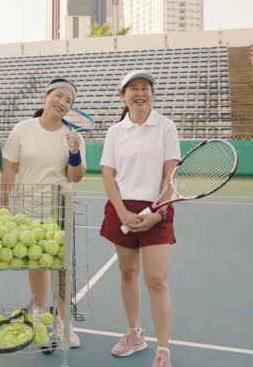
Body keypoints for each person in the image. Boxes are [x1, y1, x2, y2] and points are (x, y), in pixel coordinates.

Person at [100, 70, 181, 367]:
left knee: (156, 280)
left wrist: (156, 213)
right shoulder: (115, 131)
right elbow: (108, 174)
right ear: (123, 96)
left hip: (157, 208)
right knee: (127, 273)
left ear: (152, 93)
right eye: (133, 88)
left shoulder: (166, 127)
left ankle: (163, 349)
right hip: (123, 208)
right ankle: (135, 334)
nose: (140, 93)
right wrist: (121, 211)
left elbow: (171, 174)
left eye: (145, 87)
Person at [0, 78, 85, 348]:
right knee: (35, 263)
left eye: (68, 100)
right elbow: (10, 168)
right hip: (26, 208)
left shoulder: (73, 136)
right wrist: (4, 205)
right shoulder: (22, 129)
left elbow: (77, 176)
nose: (62, 102)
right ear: (46, 97)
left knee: (61, 268)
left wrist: (73, 152)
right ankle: (39, 311)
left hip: (58, 208)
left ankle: (63, 323)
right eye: (58, 96)